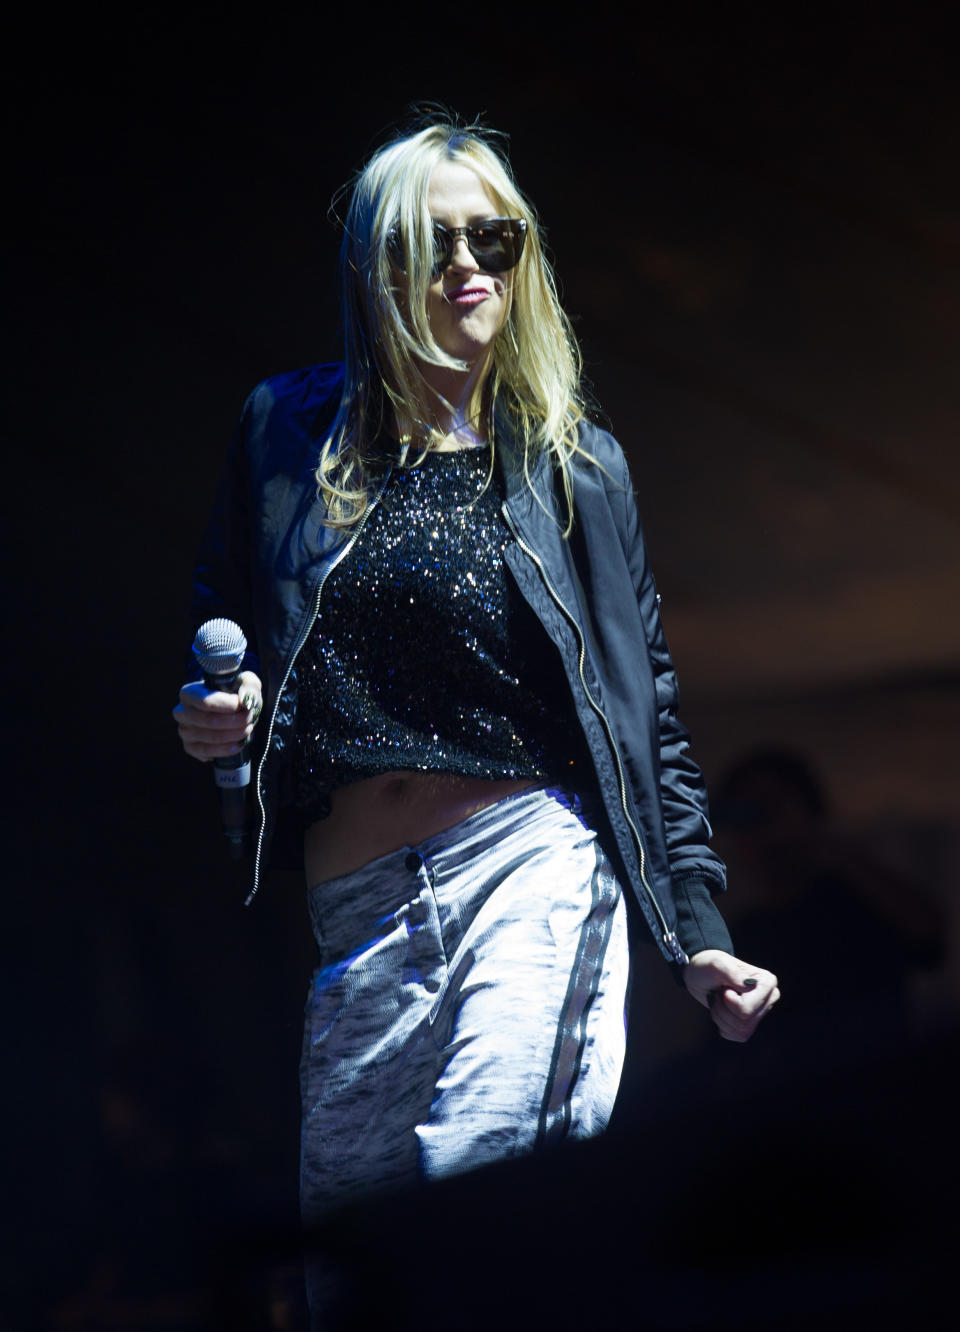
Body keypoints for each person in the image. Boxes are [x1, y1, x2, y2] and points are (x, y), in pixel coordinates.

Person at [173, 114, 778, 1249]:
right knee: (367, 1262)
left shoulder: (574, 465)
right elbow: (227, 630)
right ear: (377, 266)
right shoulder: (284, 431)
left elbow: (647, 710)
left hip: (531, 872)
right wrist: (221, 716)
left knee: (484, 1195)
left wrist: (695, 929)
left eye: (492, 242)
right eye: (433, 244)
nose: (466, 268)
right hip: (359, 917)